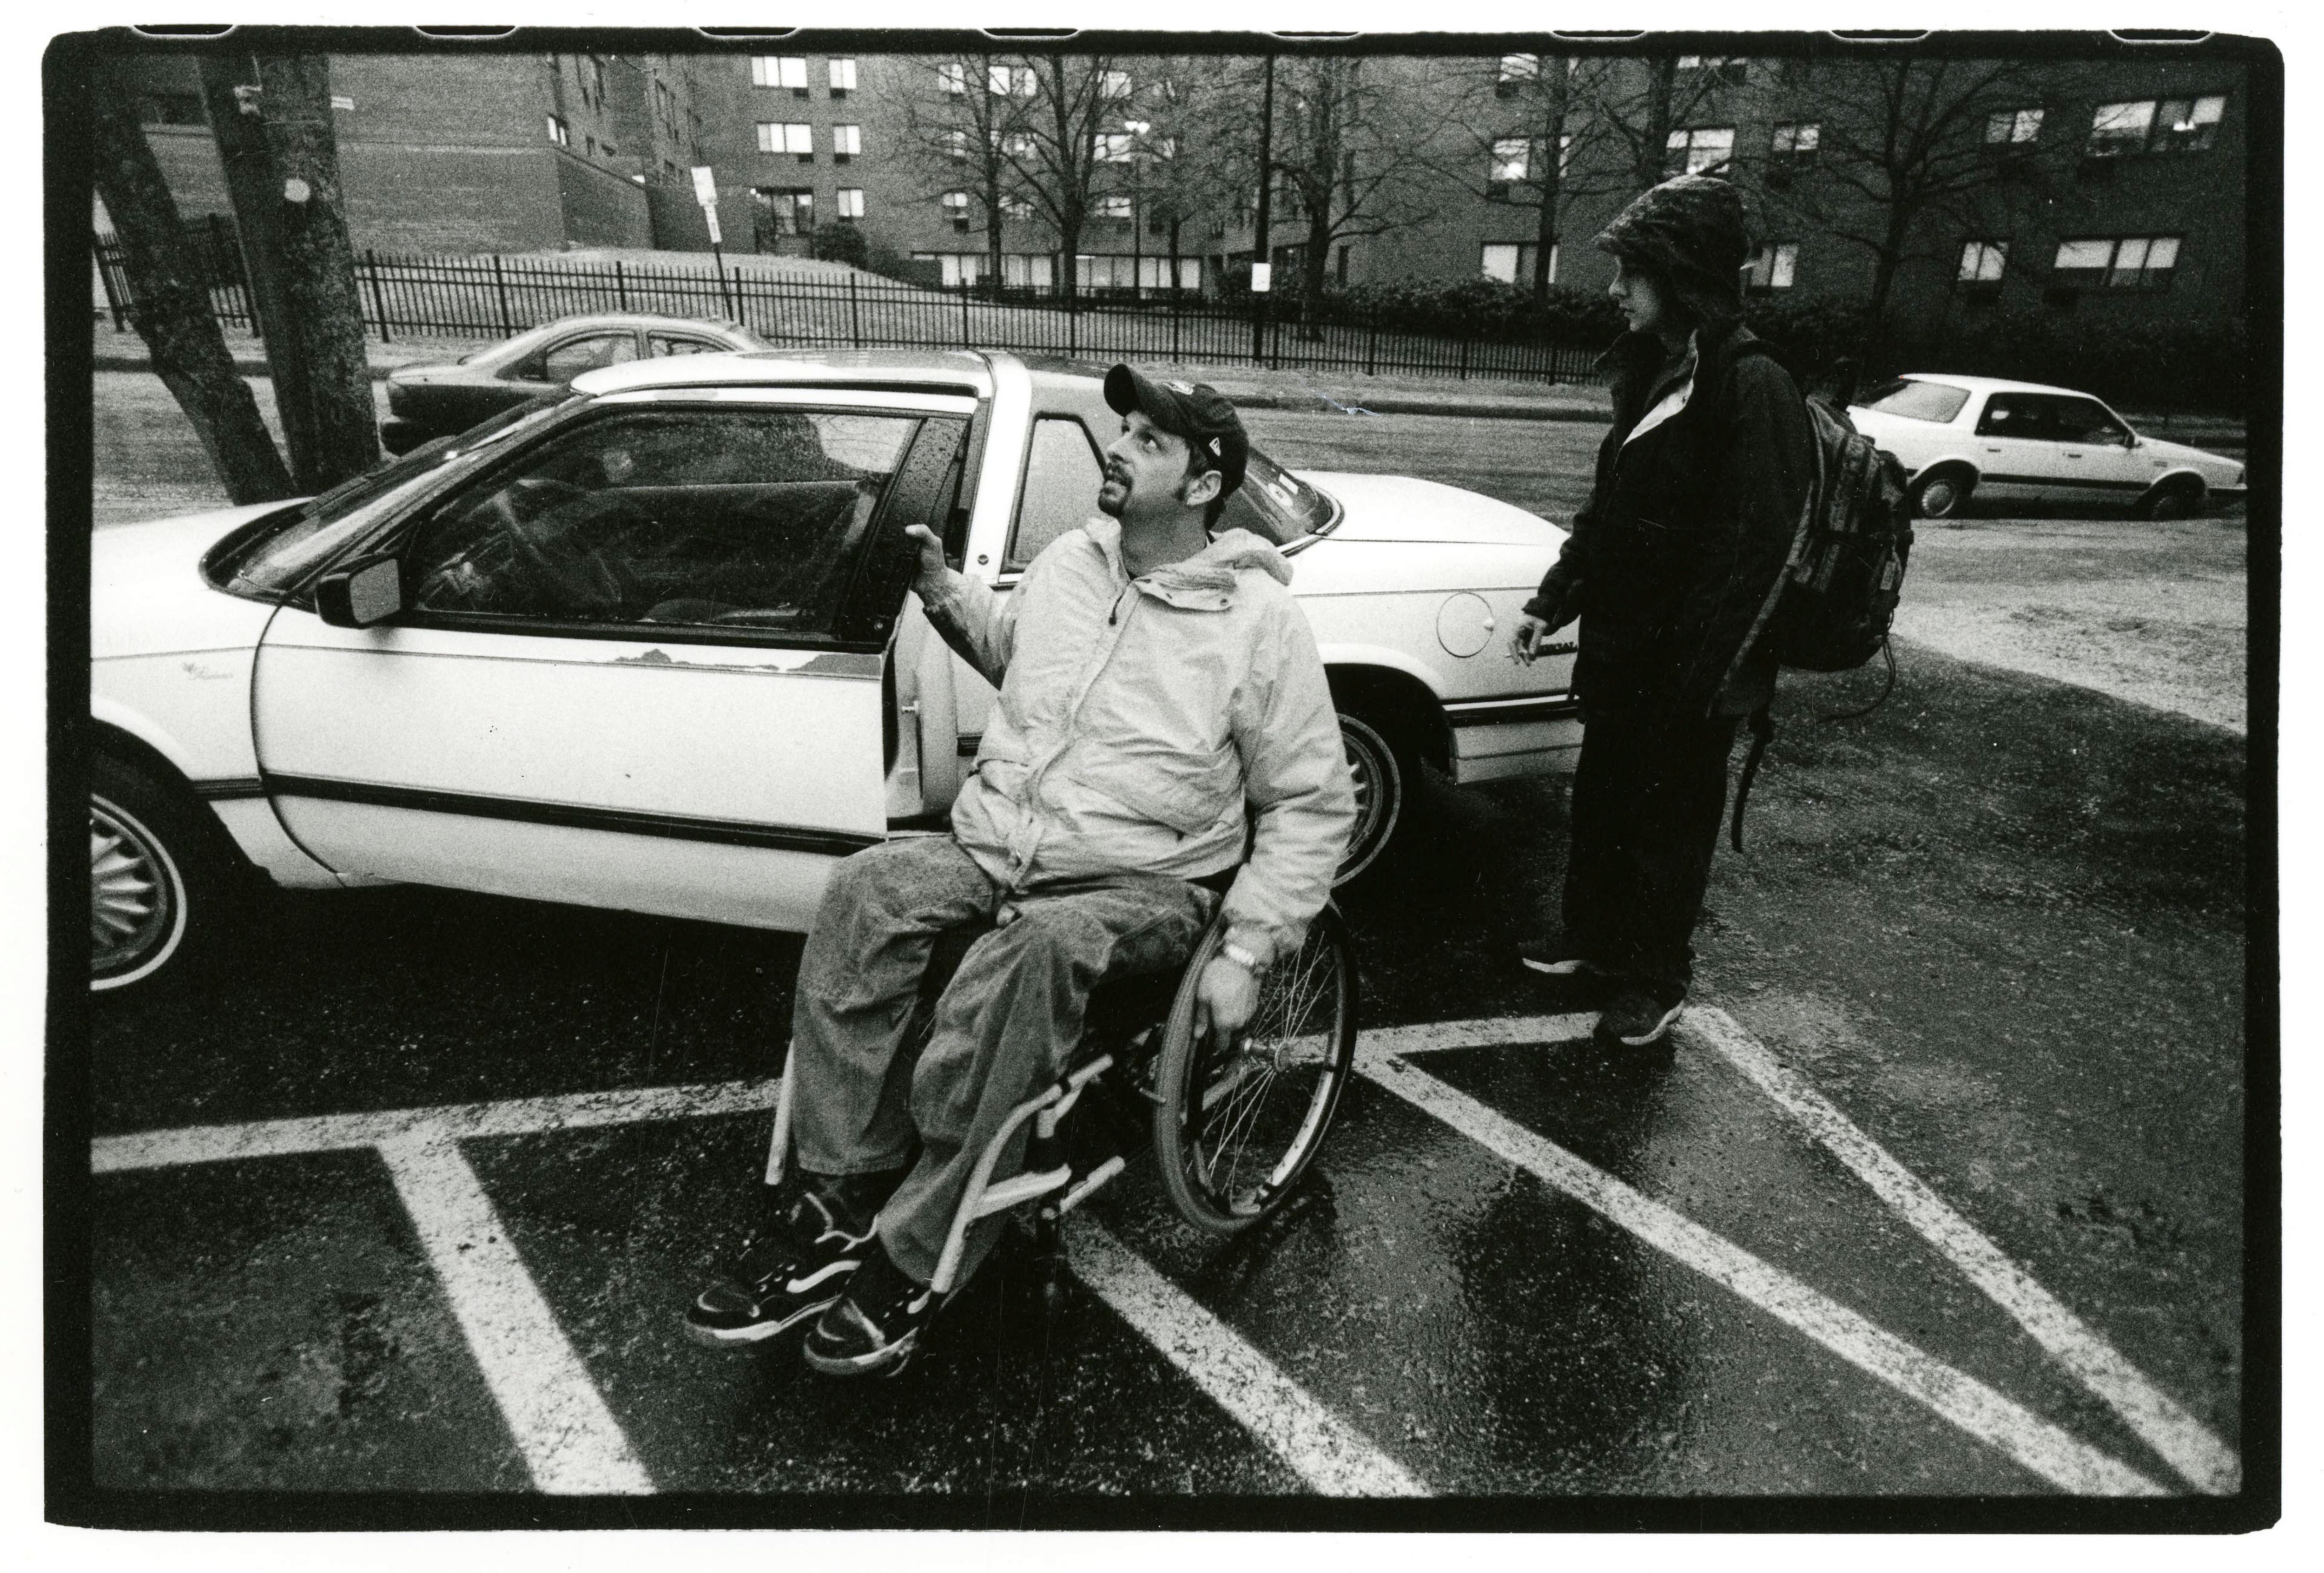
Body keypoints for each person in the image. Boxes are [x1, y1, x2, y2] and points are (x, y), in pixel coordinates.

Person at [687, 364, 1356, 1375]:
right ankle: (841, 1191)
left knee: (1033, 951)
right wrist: (942, 591)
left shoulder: (1258, 622)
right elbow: (1018, 658)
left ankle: (920, 1249)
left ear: (1203, 484)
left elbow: (1310, 800)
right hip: (1001, 847)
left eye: (1149, 441)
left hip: (1144, 884)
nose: (1117, 449)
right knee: (865, 890)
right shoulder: (1070, 564)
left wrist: (1249, 952)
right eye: (1123, 430)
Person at [1509, 175, 1814, 1050]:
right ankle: (1593, 938)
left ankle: (1655, 975)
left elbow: (1750, 558)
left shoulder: (1752, 384)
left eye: (1631, 272)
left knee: (1668, 826)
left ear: (1681, 276)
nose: (1615, 290)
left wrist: (1696, 682)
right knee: (1604, 804)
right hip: (1625, 655)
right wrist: (1552, 601)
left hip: (1690, 674)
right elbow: (1610, 512)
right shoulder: (1655, 372)